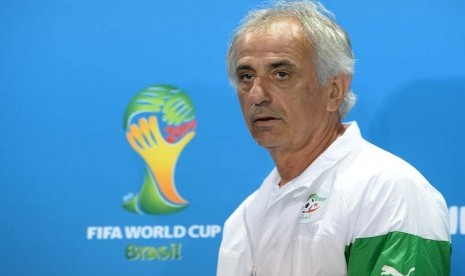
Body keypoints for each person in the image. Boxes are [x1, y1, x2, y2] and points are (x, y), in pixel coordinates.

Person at [217, 1, 451, 275]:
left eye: (281, 74)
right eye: (246, 76)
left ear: (334, 90)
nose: (256, 95)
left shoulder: (388, 192)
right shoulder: (241, 220)